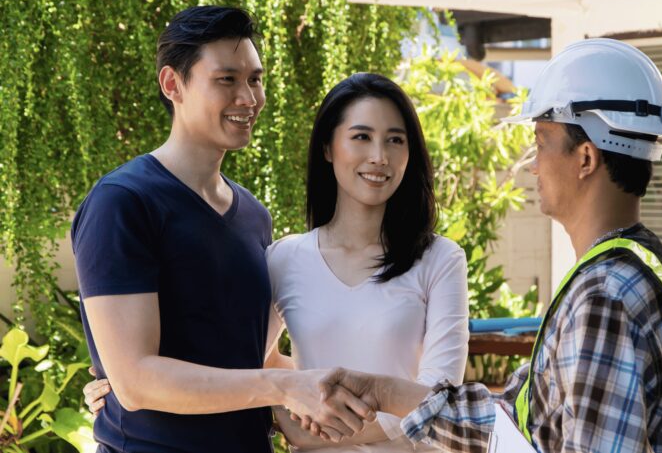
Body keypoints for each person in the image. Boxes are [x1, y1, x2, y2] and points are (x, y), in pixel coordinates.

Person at [311, 38, 662, 453]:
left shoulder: (604, 296)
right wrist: (384, 391)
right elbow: (518, 419)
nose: (532, 164)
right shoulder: (628, 267)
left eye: (541, 142)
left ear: (585, 158)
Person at [84, 72, 470, 452]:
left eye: (395, 140)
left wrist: (308, 429)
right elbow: (243, 359)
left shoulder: (440, 260)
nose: (379, 156)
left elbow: (441, 402)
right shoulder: (287, 258)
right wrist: (121, 381)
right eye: (361, 137)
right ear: (327, 147)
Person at [72, 6, 369, 453]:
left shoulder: (253, 214)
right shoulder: (123, 202)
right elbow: (135, 381)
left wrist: (366, 384)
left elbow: (256, 358)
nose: (248, 98)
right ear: (173, 85)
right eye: (226, 79)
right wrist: (281, 387)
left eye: (255, 78)